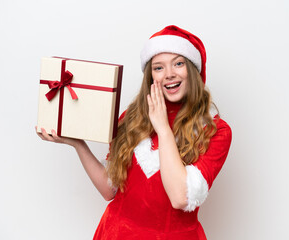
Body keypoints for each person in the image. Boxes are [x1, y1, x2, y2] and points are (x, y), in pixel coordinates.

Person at [36, 25, 232, 240]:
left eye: (178, 63)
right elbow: (109, 190)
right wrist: (78, 143)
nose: (169, 74)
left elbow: (180, 198)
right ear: (150, 76)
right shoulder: (132, 117)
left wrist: (162, 127)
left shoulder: (215, 130)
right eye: (158, 68)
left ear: (193, 70)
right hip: (115, 232)